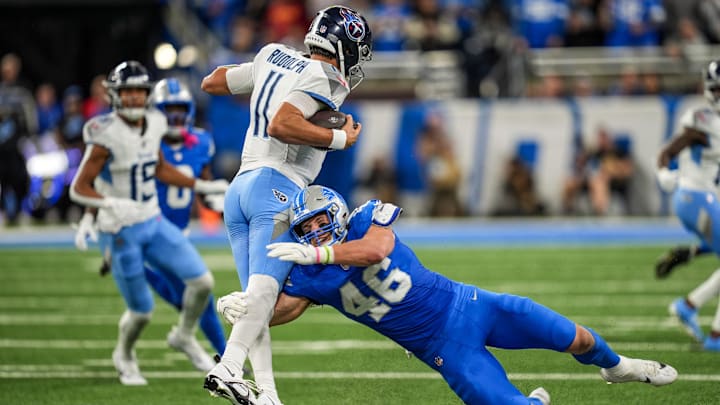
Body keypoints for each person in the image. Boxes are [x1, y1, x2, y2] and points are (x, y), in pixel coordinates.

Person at [218, 185, 678, 404]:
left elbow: (377, 248)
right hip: (442, 348)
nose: (315, 233)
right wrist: (247, 310)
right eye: (309, 229)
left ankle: (619, 368)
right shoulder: (307, 275)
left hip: (473, 305)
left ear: (337, 214)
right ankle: (534, 401)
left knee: (575, 338)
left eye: (321, 222)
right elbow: (286, 309)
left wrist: (318, 256)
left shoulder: (362, 223)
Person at [199, 5, 372, 405]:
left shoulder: (272, 53)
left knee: (258, 301)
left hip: (240, 188)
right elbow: (282, 123)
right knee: (263, 295)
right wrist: (339, 139)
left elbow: (213, 81)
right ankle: (228, 367)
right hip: (275, 188)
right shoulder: (324, 76)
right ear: (343, 46)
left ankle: (267, 394)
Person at [69, 61, 229, 385]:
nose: (132, 99)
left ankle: (184, 336)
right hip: (120, 229)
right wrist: (102, 208)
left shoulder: (155, 122)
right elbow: (80, 186)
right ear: (115, 96)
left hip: (152, 219)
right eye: (126, 93)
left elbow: (158, 169)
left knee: (203, 283)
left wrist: (201, 186)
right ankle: (124, 355)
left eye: (138, 92)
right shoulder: (104, 133)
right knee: (142, 312)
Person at [655, 59, 720, 350]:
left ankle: (689, 306)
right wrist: (664, 173)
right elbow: (670, 150)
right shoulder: (703, 121)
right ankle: (713, 333)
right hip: (695, 197)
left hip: (701, 199)